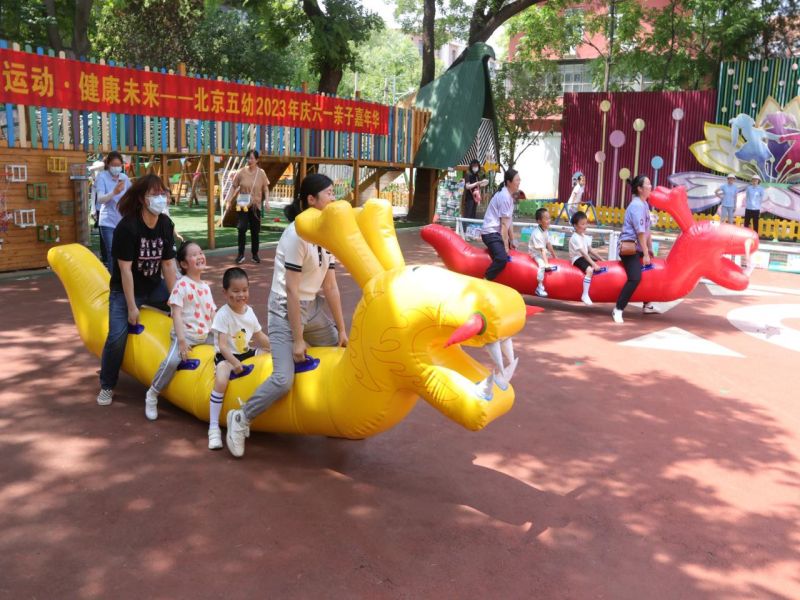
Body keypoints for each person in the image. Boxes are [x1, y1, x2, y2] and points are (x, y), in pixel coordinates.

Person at [225, 174, 348, 458]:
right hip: (284, 309)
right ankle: (241, 417)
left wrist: (342, 330)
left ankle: (332, 415)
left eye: (333, 193)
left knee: (342, 353)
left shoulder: (327, 232)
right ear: (311, 200)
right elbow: (291, 291)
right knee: (283, 379)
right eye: (329, 193)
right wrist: (298, 339)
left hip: (312, 307)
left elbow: (330, 286)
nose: (334, 198)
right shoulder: (296, 235)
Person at [96, 174, 178, 406]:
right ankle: (107, 384)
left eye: (163, 193)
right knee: (116, 337)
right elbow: (125, 270)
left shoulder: (165, 224)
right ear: (143, 198)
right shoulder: (127, 227)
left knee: (187, 307)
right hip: (124, 290)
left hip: (153, 286)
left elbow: (168, 265)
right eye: (155, 194)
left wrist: (176, 300)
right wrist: (132, 307)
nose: (160, 198)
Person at [144, 241, 215, 422]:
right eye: (194, 255)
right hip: (186, 335)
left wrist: (221, 334)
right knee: (172, 361)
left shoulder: (205, 287)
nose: (200, 256)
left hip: (204, 334)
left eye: (201, 252)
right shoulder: (181, 285)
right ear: (183, 264)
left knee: (228, 345)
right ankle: (153, 393)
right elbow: (175, 313)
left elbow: (211, 313)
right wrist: (182, 340)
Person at [208, 267, 270, 450]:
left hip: (245, 352)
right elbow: (223, 346)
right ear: (225, 292)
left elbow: (260, 336)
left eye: (244, 290)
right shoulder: (223, 314)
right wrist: (234, 363)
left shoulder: (249, 312)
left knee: (268, 357)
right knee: (221, 379)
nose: (241, 295)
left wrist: (277, 348)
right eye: (235, 291)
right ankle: (213, 427)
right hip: (226, 356)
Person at [612, 175, 656, 324]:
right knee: (635, 277)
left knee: (651, 272)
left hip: (639, 246)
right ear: (640, 189)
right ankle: (618, 309)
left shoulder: (644, 204)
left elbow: (647, 229)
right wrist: (645, 253)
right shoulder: (637, 206)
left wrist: (650, 249)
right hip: (629, 248)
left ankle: (647, 304)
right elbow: (640, 232)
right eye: (648, 184)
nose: (651, 187)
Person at [225, 149, 270, 264]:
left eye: (252, 158)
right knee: (241, 228)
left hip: (255, 206)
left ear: (257, 160)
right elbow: (233, 186)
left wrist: (267, 201)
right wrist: (228, 200)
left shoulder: (261, 173)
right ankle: (240, 255)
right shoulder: (241, 172)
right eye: (248, 158)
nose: (249, 160)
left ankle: (255, 254)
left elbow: (265, 188)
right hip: (242, 205)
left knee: (255, 230)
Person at [480, 169, 520, 281]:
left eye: (519, 179)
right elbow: (504, 225)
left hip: (496, 233)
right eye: (517, 180)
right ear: (509, 182)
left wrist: (512, 240)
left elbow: (509, 222)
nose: (519, 182)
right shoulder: (504, 197)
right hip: (490, 233)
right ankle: (485, 280)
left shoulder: (509, 196)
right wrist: (506, 246)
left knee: (511, 250)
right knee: (502, 258)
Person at [94, 151, 131, 273]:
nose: (116, 168)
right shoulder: (102, 177)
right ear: (108, 165)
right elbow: (100, 199)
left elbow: (132, 194)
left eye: (119, 165)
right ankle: (112, 280)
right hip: (107, 221)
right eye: (114, 165)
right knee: (112, 253)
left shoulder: (124, 178)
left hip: (122, 221)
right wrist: (114, 192)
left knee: (124, 252)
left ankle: (123, 277)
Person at [569, 210, 603, 305]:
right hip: (577, 258)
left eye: (586, 223)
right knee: (590, 270)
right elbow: (584, 254)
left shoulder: (584, 236)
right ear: (575, 226)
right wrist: (593, 264)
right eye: (582, 224)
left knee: (600, 264)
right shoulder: (575, 237)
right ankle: (585, 294)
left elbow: (591, 250)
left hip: (584, 257)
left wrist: (602, 259)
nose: (585, 226)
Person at [529, 207, 556, 297]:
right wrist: (546, 264)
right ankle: (539, 287)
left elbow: (548, 244)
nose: (549, 221)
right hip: (535, 253)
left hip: (542, 252)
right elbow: (542, 250)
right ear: (539, 221)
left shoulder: (545, 230)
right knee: (542, 265)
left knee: (549, 260)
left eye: (549, 218)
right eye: (546, 219)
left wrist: (554, 256)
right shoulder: (537, 234)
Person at [88, 160, 107, 265]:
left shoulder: (105, 179)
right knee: (103, 235)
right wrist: (93, 210)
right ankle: (105, 257)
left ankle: (107, 257)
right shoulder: (95, 182)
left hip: (106, 209)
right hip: (100, 210)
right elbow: (93, 197)